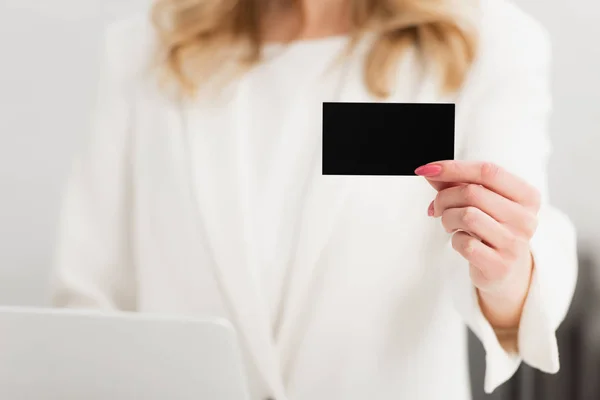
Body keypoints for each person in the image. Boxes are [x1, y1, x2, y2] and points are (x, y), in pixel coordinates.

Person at [51, 0, 578, 399]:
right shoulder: (142, 50)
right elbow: (88, 298)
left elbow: (524, 248)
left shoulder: (483, 39)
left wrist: (507, 271)